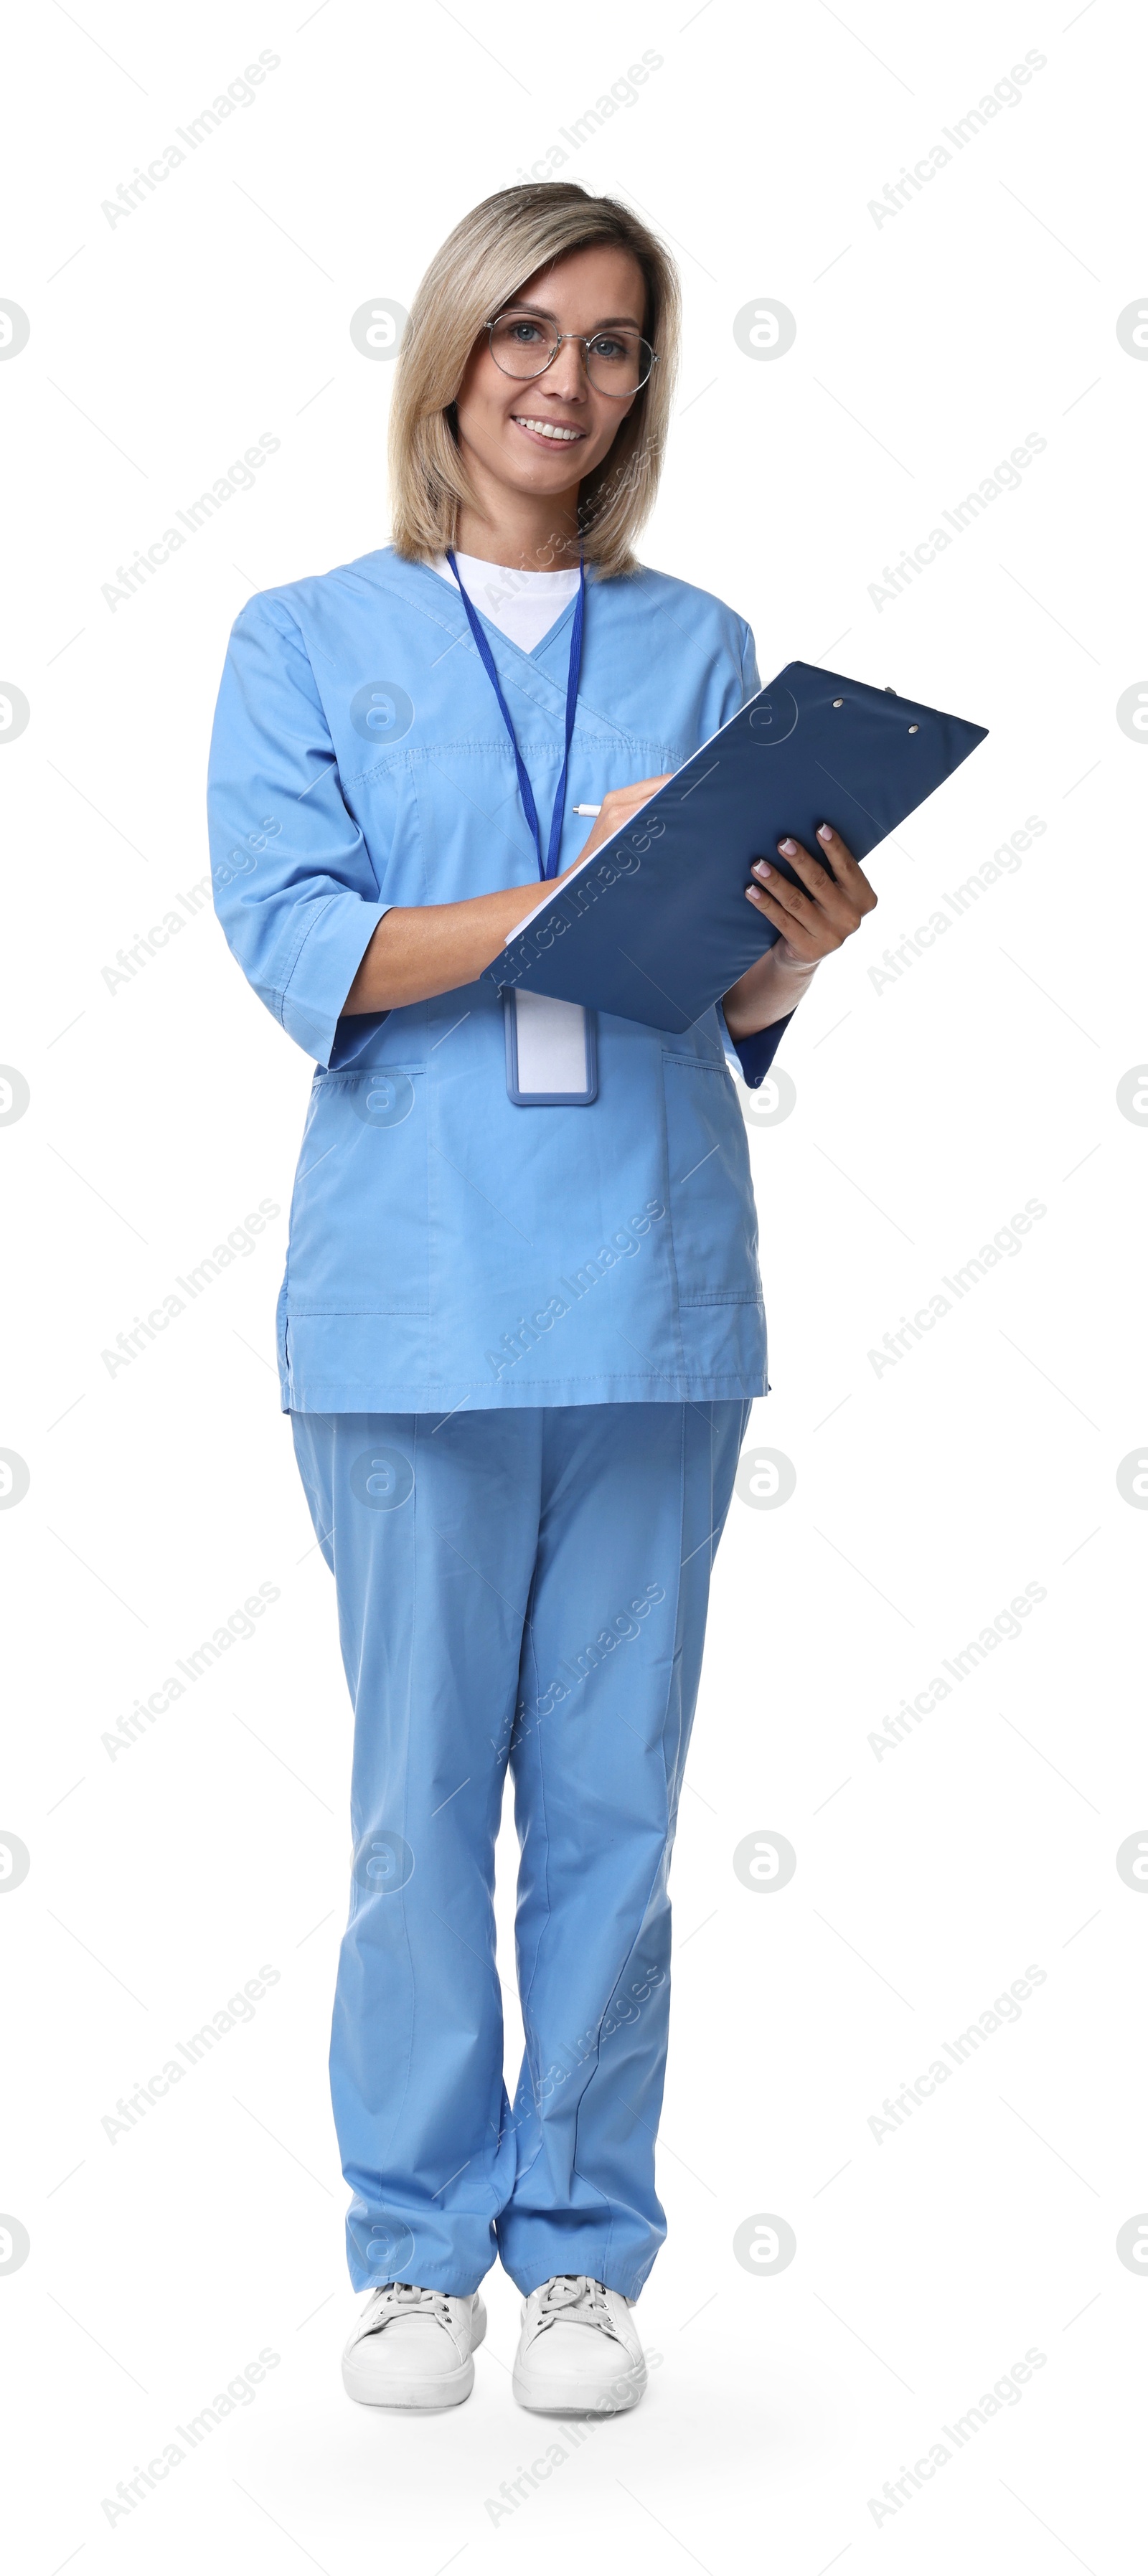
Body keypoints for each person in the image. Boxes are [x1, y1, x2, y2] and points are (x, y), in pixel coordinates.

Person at [208, 181, 875, 2419]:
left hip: (653, 1298)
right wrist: (551, 896)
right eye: (532, 330)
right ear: (454, 350)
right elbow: (305, 941)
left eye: (611, 345)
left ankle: (579, 2253)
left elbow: (709, 985)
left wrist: (787, 945)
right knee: (420, 1804)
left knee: (611, 1804)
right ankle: (413, 2252)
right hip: (412, 1308)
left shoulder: (696, 648)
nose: (566, 379)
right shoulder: (303, 641)